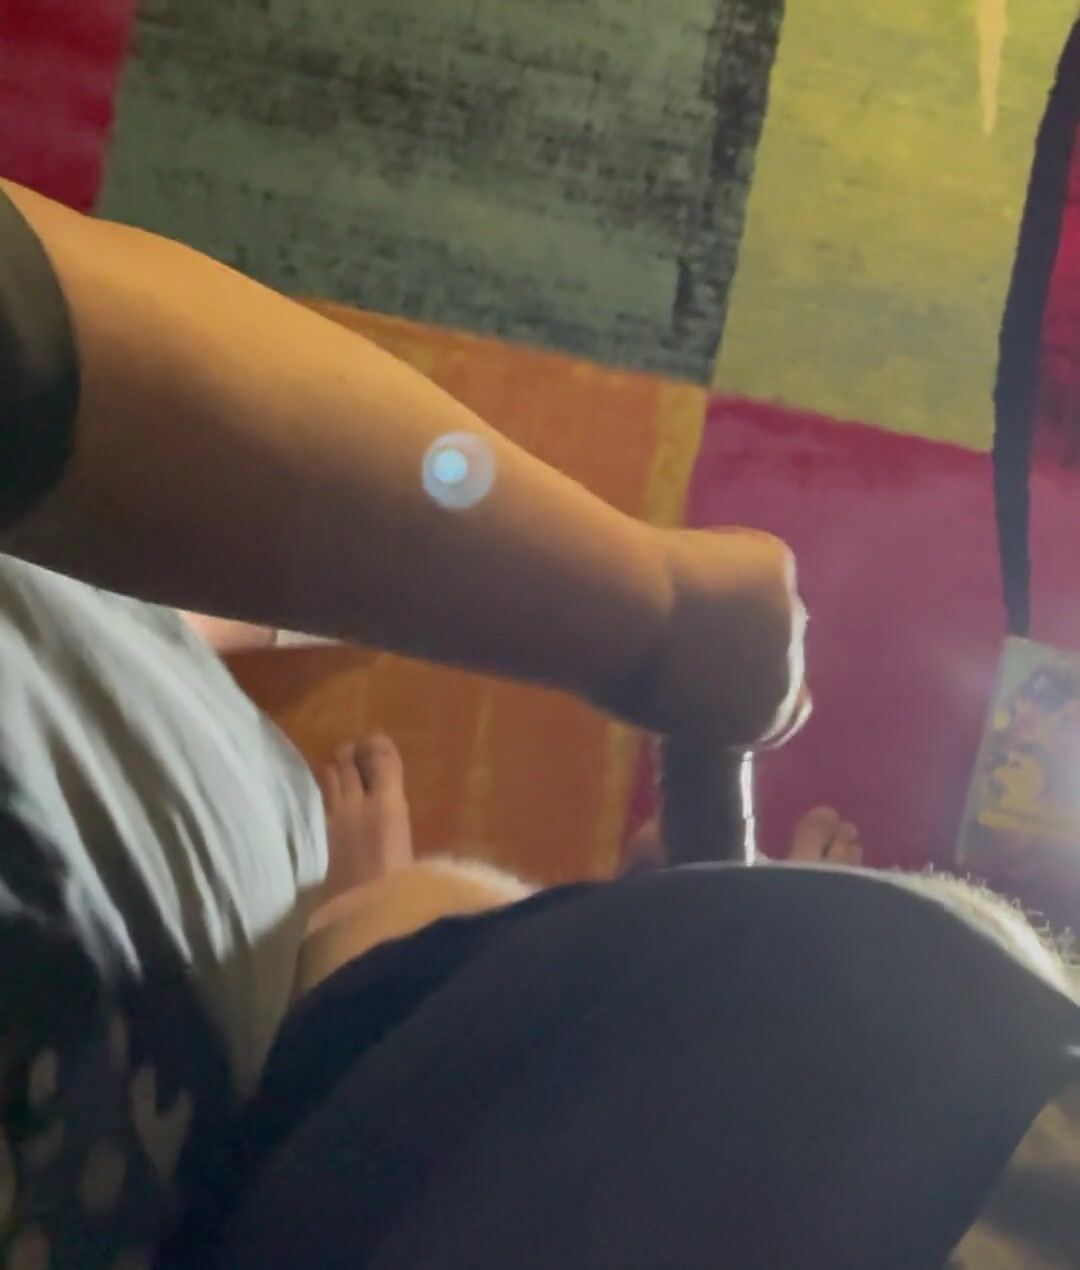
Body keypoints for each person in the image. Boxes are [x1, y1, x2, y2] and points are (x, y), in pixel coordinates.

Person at [0, 175, 805, 1266]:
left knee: (123, 638)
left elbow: (34, 345)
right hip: (243, 1018)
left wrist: (656, 615)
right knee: (405, 902)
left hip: (226, 975)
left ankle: (230, 628)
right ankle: (242, 659)